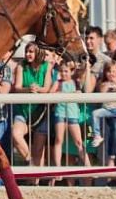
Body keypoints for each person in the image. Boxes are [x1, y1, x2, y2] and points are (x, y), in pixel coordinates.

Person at [11, 42, 51, 173]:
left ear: (38, 53)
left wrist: (37, 89)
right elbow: (17, 88)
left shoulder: (47, 66)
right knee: (16, 135)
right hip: (23, 111)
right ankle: (31, 164)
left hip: (39, 112)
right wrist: (28, 89)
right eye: (27, 51)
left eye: (31, 52)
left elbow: (46, 89)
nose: (28, 54)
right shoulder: (21, 66)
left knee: (39, 150)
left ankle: (37, 183)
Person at [50, 58, 89, 175]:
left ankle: (88, 166)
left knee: (78, 141)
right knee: (59, 140)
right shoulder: (58, 83)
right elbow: (50, 95)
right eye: (61, 71)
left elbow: (84, 91)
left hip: (73, 114)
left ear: (71, 72)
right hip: (60, 113)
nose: (63, 73)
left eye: (66, 71)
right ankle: (58, 170)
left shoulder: (76, 82)